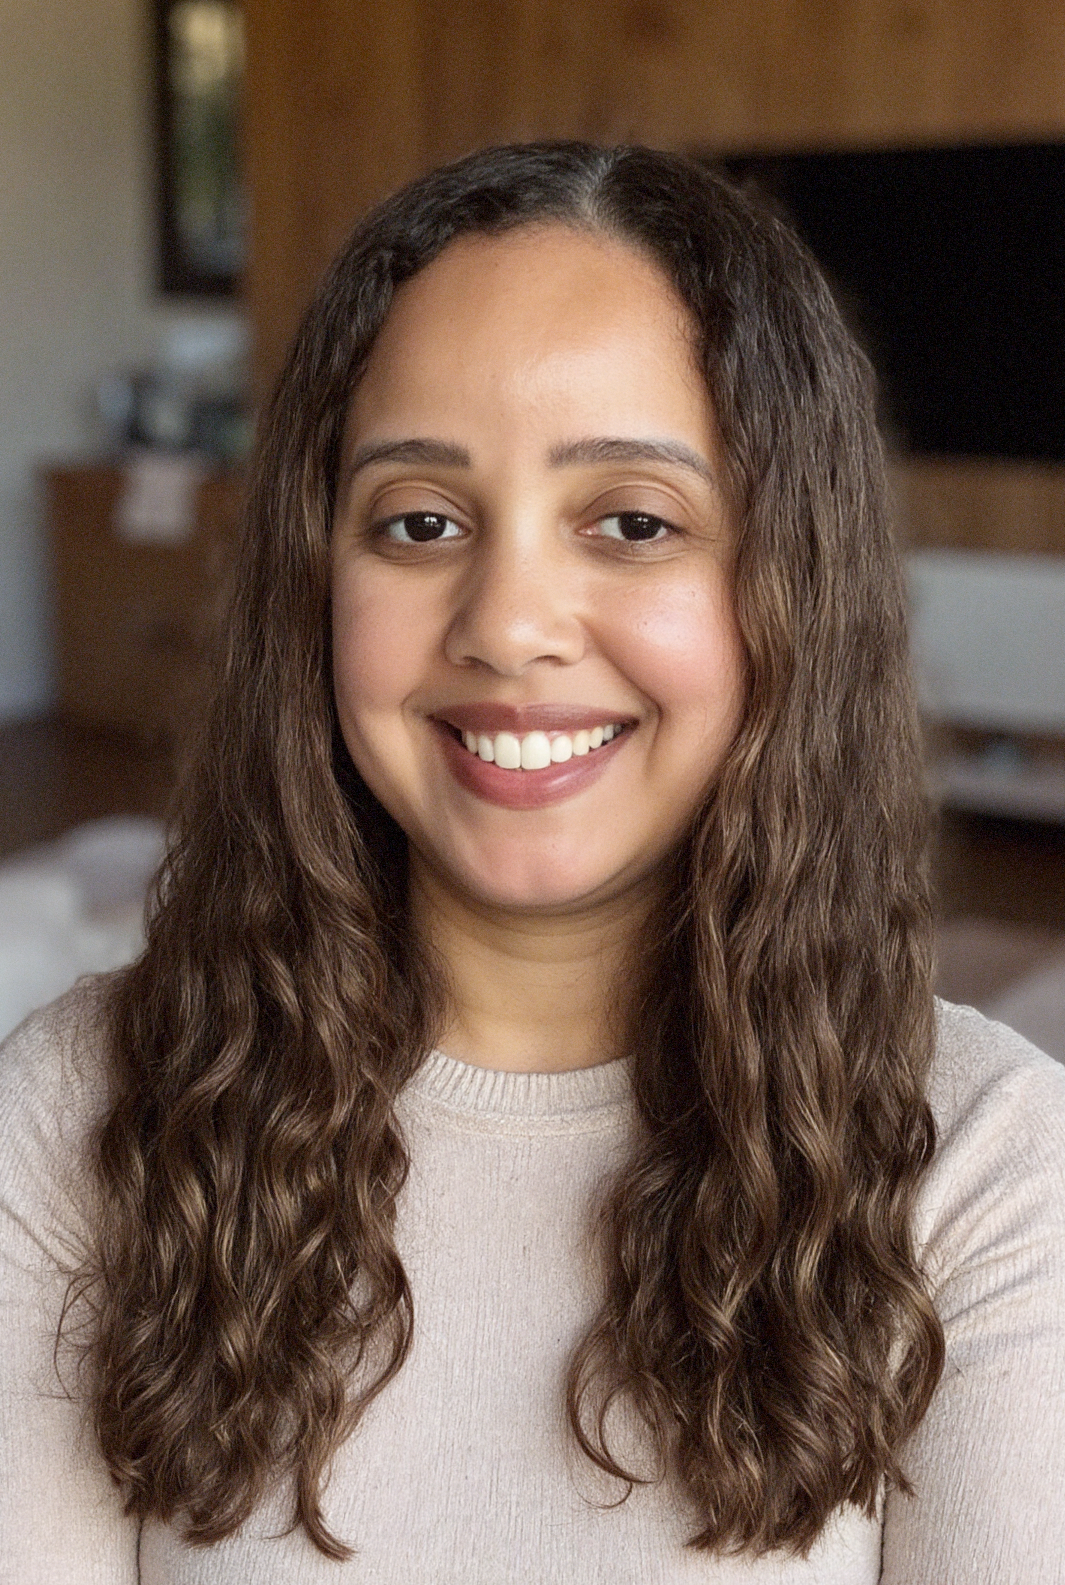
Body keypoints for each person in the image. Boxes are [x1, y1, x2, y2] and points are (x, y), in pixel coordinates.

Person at [2, 142, 1064, 1584]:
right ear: (318, 585)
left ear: (789, 586)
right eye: (420, 522)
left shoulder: (994, 1173)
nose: (508, 625)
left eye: (632, 521)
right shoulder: (70, 1121)